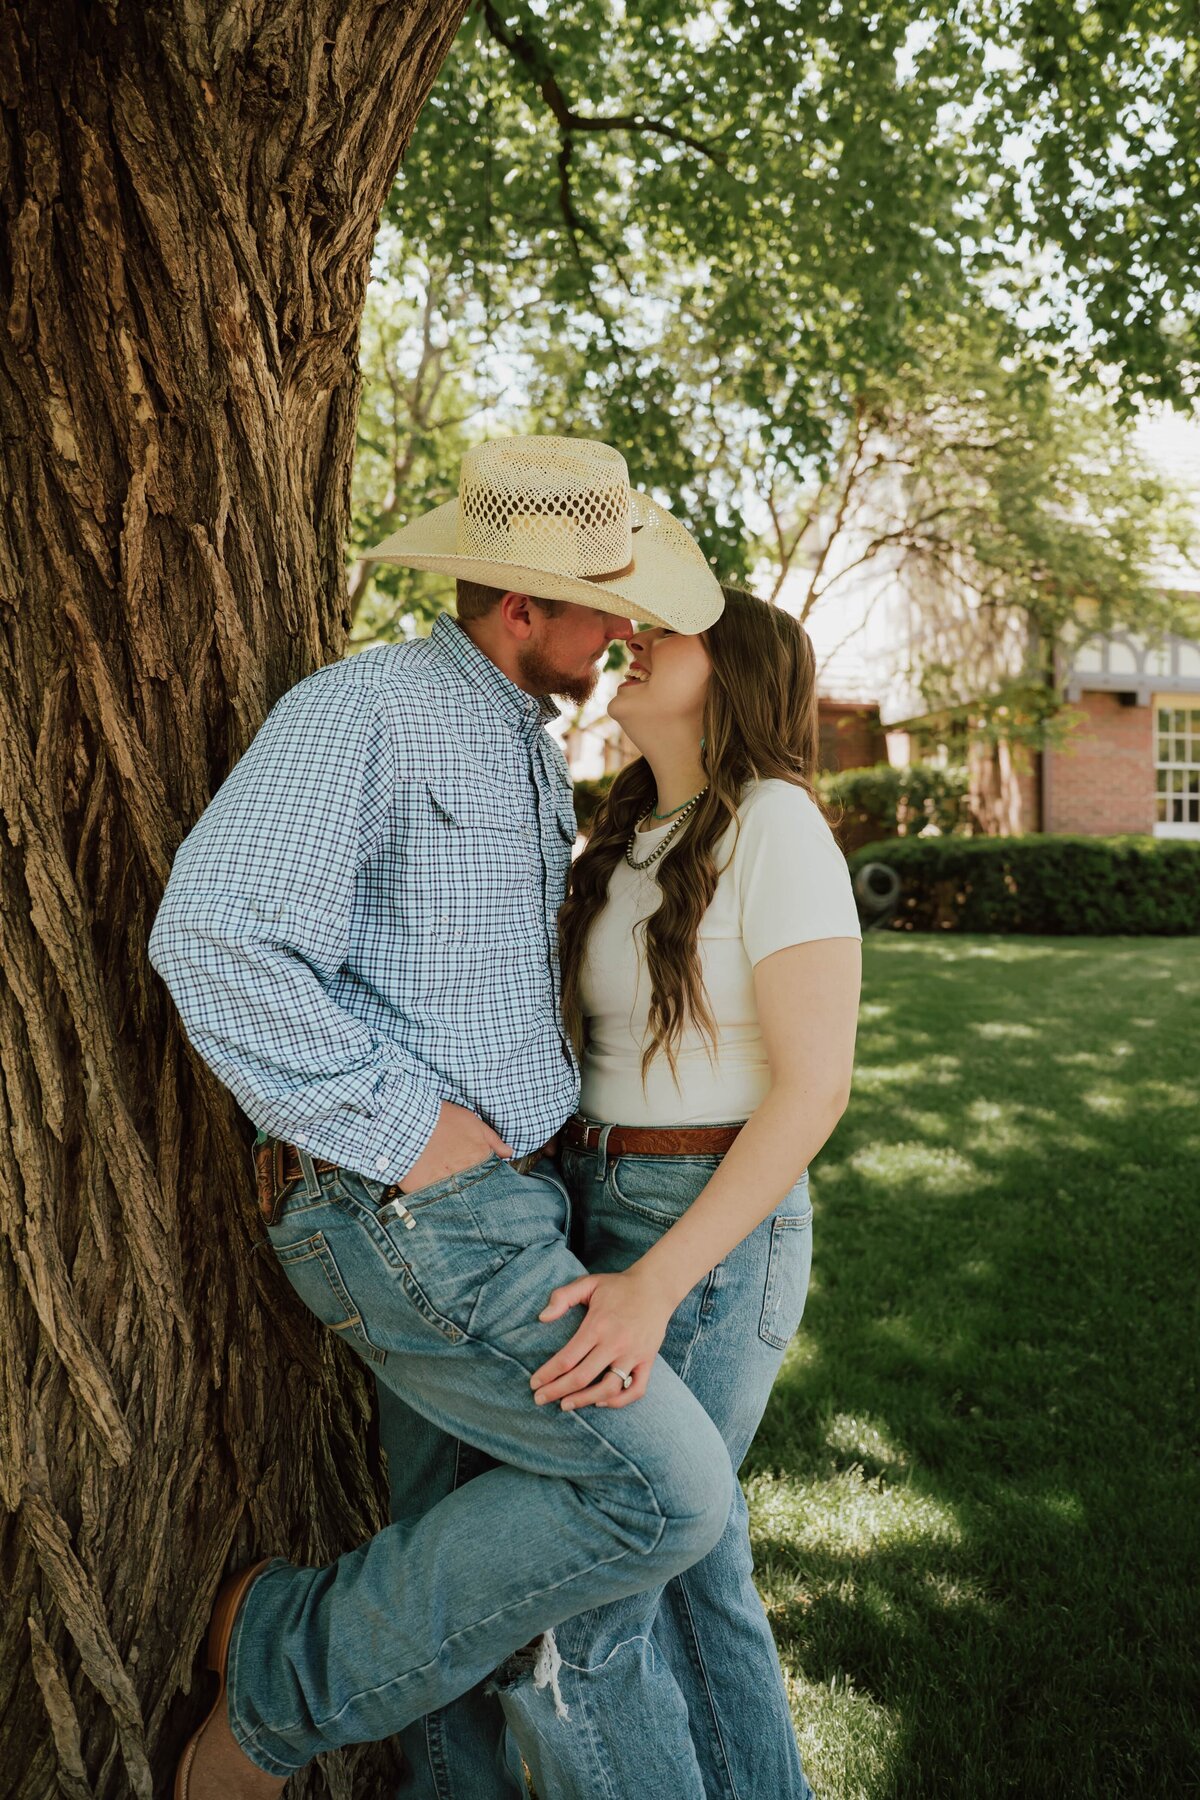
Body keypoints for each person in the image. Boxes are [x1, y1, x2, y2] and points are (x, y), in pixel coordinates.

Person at [148, 435, 738, 1800]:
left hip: (496, 1204)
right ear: (520, 604)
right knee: (668, 1493)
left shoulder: (516, 741)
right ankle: (280, 1668)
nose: (626, 626)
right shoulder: (369, 713)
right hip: (414, 1208)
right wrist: (411, 1131)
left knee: (460, 1545)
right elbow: (216, 937)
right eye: (603, 601)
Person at [399, 586, 862, 1798]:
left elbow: (813, 1092)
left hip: (705, 1227)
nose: (636, 639)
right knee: (699, 1584)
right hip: (591, 1201)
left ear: (743, 670)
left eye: (677, 631)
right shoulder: (631, 829)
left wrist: (658, 1283)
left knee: (595, 1604)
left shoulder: (778, 824)